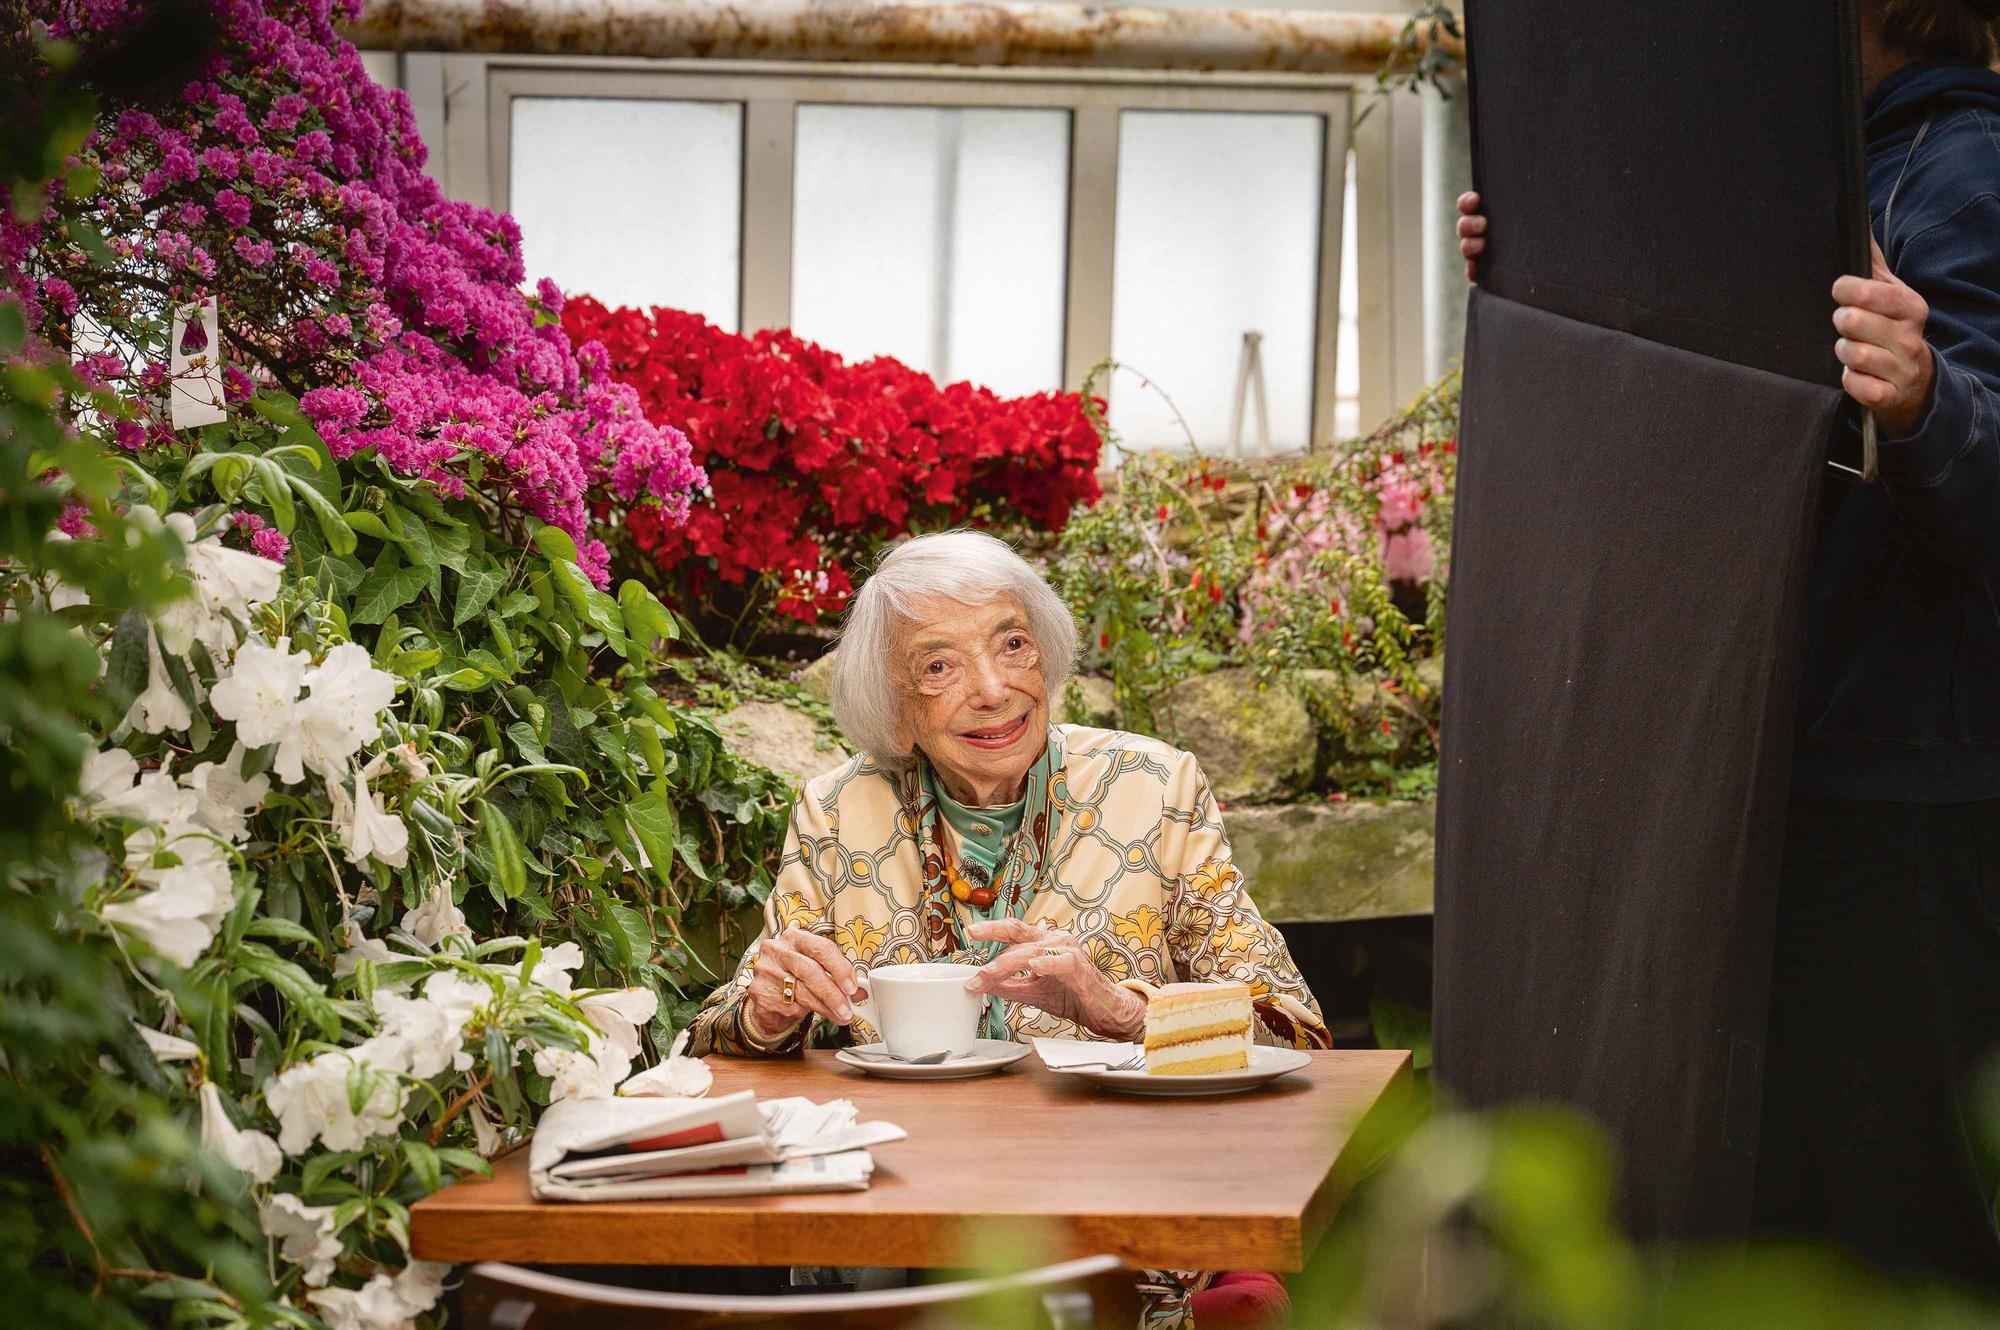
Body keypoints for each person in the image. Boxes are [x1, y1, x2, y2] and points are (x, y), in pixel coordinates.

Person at [1456, 0, 2000, 1291]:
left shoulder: (1965, 172)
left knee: (1896, 1220)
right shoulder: (1838, 172)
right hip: (1793, 770)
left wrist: (1931, 398)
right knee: (1787, 1206)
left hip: (1905, 797)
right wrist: (1540, 254)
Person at [685, 528, 1329, 1328]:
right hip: (888, 1224)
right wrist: (769, 1011)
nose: (991, 689)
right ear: (895, 708)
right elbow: (719, 1036)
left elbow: (1291, 1027)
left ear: (1046, 657)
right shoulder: (838, 809)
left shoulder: (1155, 788)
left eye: (1012, 644)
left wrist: (1116, 1010)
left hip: (1113, 1227)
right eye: (939, 665)